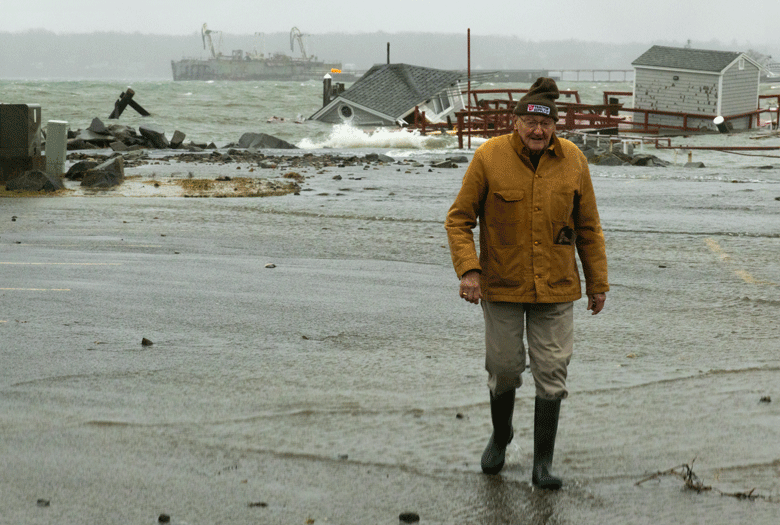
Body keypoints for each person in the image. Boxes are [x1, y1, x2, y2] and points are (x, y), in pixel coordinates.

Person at [445, 77, 609, 490]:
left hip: (556, 285)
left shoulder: (573, 160)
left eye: (546, 124)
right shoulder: (488, 157)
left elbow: (588, 227)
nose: (538, 131)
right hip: (501, 284)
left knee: (552, 370)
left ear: (555, 125)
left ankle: (542, 464)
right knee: (503, 370)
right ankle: (501, 436)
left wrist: (598, 283)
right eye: (530, 123)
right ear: (515, 122)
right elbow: (459, 219)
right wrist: (469, 270)